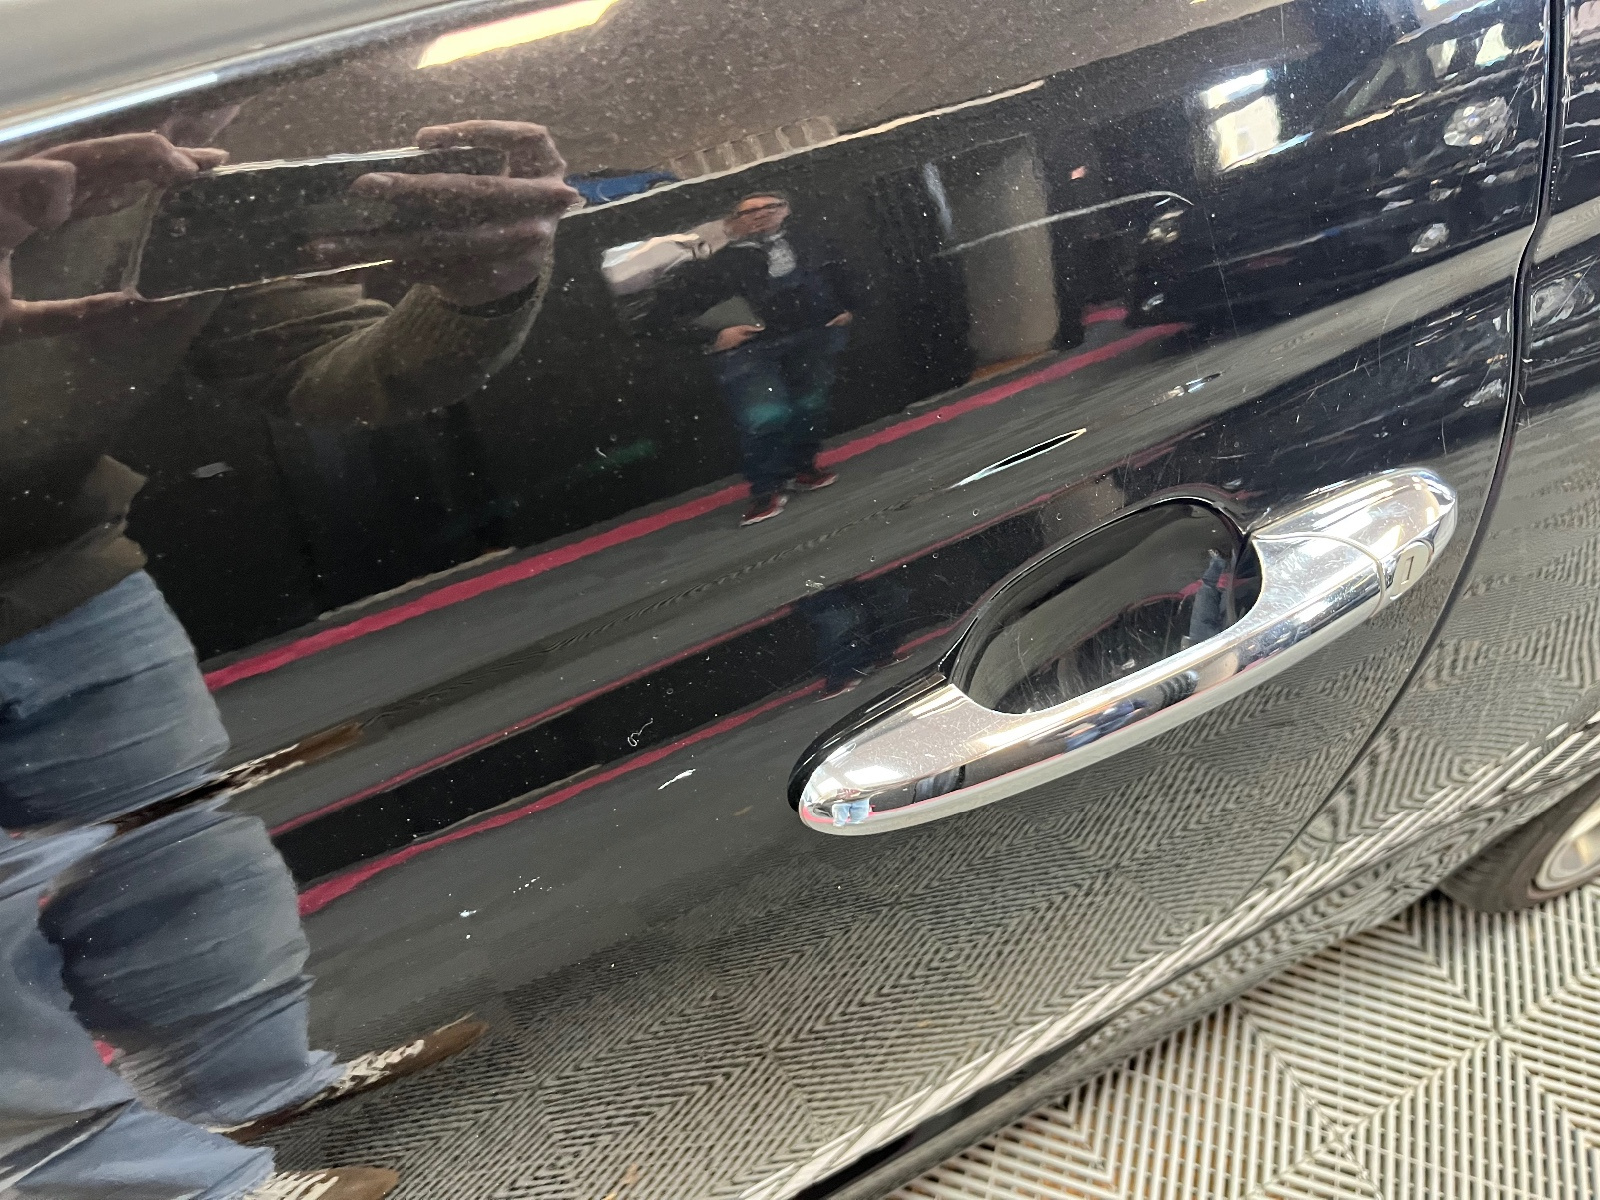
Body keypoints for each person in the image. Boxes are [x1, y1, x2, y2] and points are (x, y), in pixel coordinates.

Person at [0, 116, 580, 1200]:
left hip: (61, 562)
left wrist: (481, 293)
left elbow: (335, 366)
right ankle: (126, 1187)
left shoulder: (173, 188)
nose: (204, 128)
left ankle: (254, 1094)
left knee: (182, 859)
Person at [655, 192, 855, 525]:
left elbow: (841, 273)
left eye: (770, 207)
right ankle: (766, 489)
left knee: (811, 405)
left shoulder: (811, 241)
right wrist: (713, 337)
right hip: (749, 349)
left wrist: (847, 308)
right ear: (733, 220)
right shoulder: (711, 261)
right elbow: (664, 313)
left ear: (786, 210)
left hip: (811, 337)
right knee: (764, 416)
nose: (761, 214)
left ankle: (802, 468)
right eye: (749, 212)